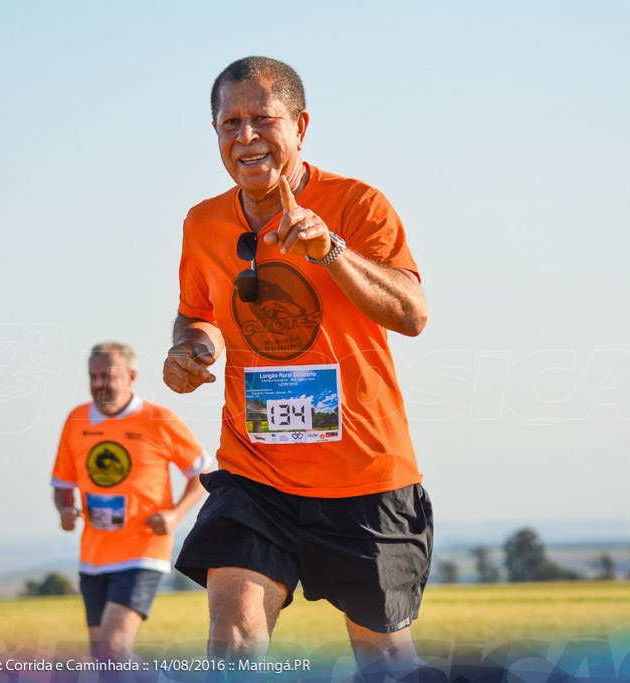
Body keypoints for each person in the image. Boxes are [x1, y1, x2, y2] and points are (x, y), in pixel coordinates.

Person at [164, 56, 431, 676]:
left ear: (300, 125)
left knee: (385, 659)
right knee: (232, 637)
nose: (246, 136)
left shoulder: (358, 203)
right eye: (230, 122)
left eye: (263, 118)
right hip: (256, 471)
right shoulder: (203, 223)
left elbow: (412, 313)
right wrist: (192, 348)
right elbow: (195, 312)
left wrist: (331, 251)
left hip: (365, 475)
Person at [52, 341, 213, 661]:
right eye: (93, 376)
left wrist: (173, 515)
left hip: (143, 551)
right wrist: (65, 510)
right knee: (104, 657)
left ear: (131, 377)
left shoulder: (159, 419)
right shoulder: (76, 420)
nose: (99, 384)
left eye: (107, 376)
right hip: (93, 556)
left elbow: (202, 473)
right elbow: (62, 484)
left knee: (113, 649)